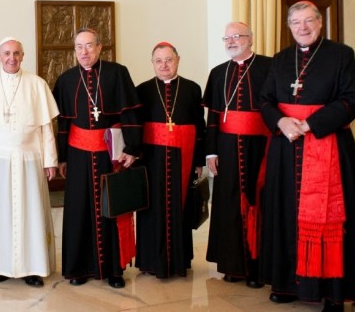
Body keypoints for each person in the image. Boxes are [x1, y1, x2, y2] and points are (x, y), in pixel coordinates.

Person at [259, 1, 355, 312]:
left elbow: (352, 100)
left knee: (328, 220)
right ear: (288, 26)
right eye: (295, 22)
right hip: (286, 149)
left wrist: (308, 124)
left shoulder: (340, 55)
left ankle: (332, 296)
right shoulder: (279, 60)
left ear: (320, 23)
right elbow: (265, 100)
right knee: (285, 214)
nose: (302, 27)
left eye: (308, 21)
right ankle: (288, 284)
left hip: (326, 145)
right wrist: (280, 122)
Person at [52, 28, 141, 288]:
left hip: (110, 154)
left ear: (100, 47)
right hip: (78, 154)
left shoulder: (117, 73)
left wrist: (132, 149)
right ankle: (78, 268)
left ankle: (114, 269)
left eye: (89, 46)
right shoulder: (66, 79)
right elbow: (63, 123)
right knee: (79, 207)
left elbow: (131, 113)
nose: (84, 52)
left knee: (110, 208)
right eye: (79, 47)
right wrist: (62, 157)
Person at [0, 38, 59, 287]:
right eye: (7, 53)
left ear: (23, 55)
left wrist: (50, 160)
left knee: (31, 213)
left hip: (30, 158)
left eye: (16, 53)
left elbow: (46, 128)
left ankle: (32, 268)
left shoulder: (37, 84)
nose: (12, 58)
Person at [203, 22, 272, 286]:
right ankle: (232, 266)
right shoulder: (218, 72)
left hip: (260, 148)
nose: (231, 41)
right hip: (227, 150)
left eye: (237, 36)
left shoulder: (268, 66)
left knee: (258, 202)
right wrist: (210, 152)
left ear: (250, 39)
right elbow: (213, 117)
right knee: (229, 204)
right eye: (227, 38)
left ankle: (259, 267)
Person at [134, 42, 205, 279]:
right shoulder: (142, 90)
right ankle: (150, 261)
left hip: (182, 159)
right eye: (158, 61)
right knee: (151, 208)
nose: (164, 65)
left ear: (178, 60)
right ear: (152, 63)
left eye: (169, 60)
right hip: (151, 160)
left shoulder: (192, 89)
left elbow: (199, 127)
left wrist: (198, 160)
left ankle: (179, 261)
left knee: (179, 207)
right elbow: (135, 127)